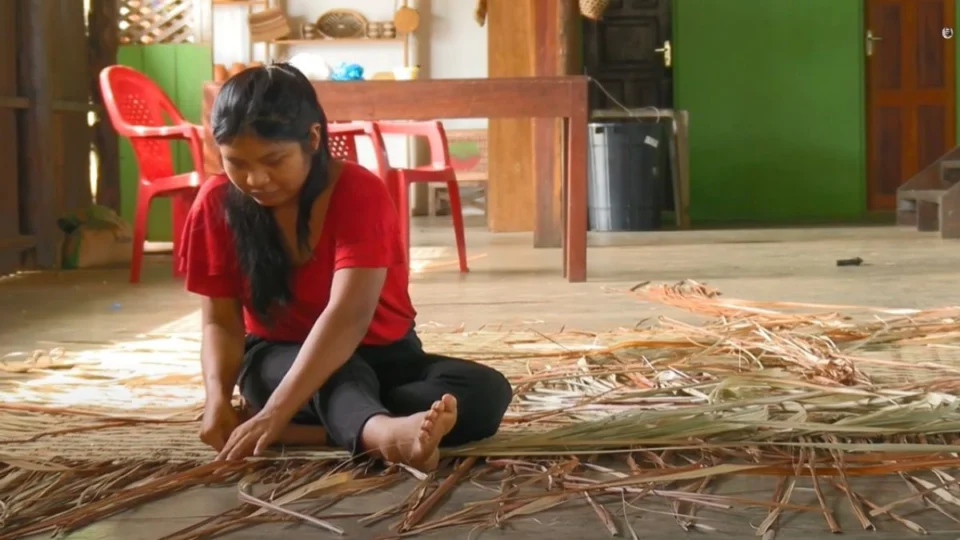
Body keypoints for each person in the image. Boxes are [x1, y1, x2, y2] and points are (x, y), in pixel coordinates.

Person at [176, 63, 513, 471]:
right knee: (335, 376)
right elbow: (220, 324)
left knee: (485, 392)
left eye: (274, 159)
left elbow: (348, 316)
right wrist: (216, 400)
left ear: (313, 139)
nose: (256, 178)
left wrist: (275, 413)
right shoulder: (215, 202)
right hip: (277, 359)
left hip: (384, 353)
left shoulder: (358, 191)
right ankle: (385, 436)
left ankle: (311, 429)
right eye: (237, 162)